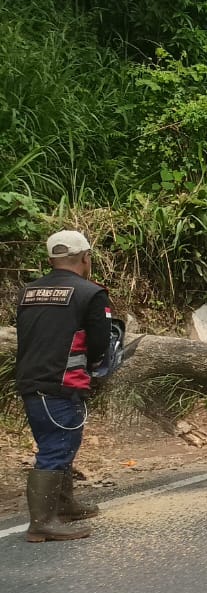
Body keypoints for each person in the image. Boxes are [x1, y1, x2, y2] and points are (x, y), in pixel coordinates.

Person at [15, 230, 113, 543]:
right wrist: (98, 368)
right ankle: (43, 522)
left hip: (31, 380)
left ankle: (64, 504)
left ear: (50, 260)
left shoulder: (28, 291)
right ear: (86, 258)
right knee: (57, 447)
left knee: (59, 443)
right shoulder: (90, 293)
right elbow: (99, 342)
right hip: (62, 382)